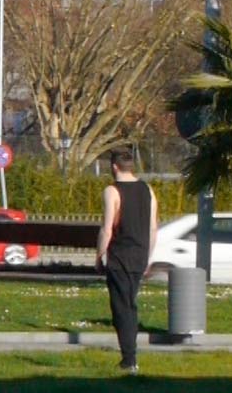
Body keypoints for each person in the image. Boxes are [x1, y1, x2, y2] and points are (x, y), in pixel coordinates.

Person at [96, 149, 156, 374]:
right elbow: (152, 228)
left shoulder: (112, 191)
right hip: (140, 255)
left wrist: (100, 255)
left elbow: (107, 228)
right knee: (130, 302)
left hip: (120, 255)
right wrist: (148, 257)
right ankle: (129, 356)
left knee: (122, 307)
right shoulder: (147, 190)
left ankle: (129, 358)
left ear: (114, 167)